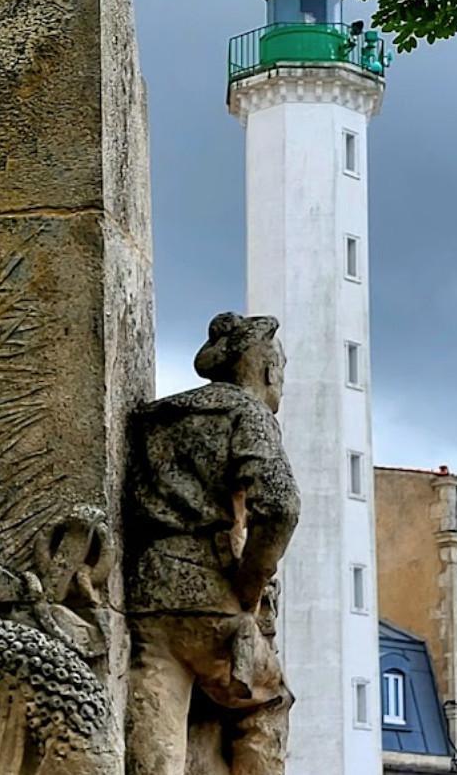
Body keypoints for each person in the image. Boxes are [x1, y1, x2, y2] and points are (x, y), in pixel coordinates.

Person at [125, 312, 301, 775]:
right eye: (280, 368)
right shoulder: (247, 413)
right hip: (213, 603)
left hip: (150, 597)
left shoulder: (156, 417)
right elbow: (280, 508)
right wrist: (249, 585)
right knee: (269, 699)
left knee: (155, 731)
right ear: (266, 370)